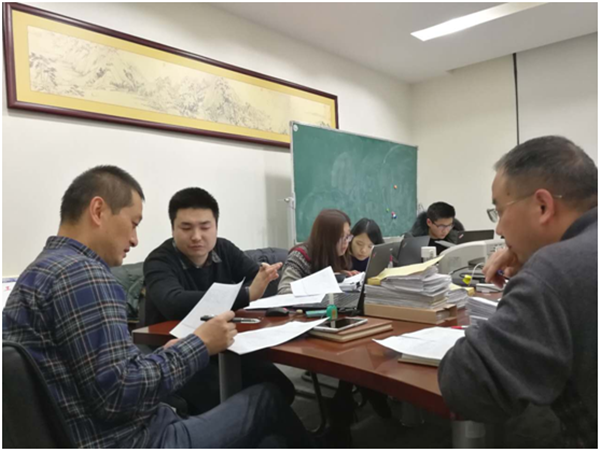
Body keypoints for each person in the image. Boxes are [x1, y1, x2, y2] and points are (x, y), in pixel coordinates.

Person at [2, 166, 312, 449]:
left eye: (205, 227)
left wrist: (166, 354)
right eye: (133, 223)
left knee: (271, 440)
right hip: (137, 439)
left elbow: (99, 373)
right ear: (98, 211)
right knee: (267, 398)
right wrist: (199, 344)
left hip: (90, 431)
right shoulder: (85, 276)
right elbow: (118, 395)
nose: (135, 239)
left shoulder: (38, 271)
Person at [438, 136, 597, 448]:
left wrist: (534, 273)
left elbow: (465, 385)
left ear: (542, 206)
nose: (499, 229)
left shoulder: (555, 270)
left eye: (499, 211)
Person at [143, 187, 294, 413]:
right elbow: (173, 302)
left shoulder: (224, 249)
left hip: (225, 343)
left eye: (205, 227)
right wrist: (246, 294)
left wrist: (264, 277)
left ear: (216, 227)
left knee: (281, 388)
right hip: (178, 350)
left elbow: (261, 279)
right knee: (224, 401)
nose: (197, 236)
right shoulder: (158, 261)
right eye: (186, 228)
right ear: (173, 228)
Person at [277, 209, 357, 294]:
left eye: (347, 236)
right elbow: (284, 291)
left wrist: (342, 275)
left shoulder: (338, 254)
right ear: (326, 238)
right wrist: (323, 282)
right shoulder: (299, 257)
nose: (346, 242)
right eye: (341, 237)